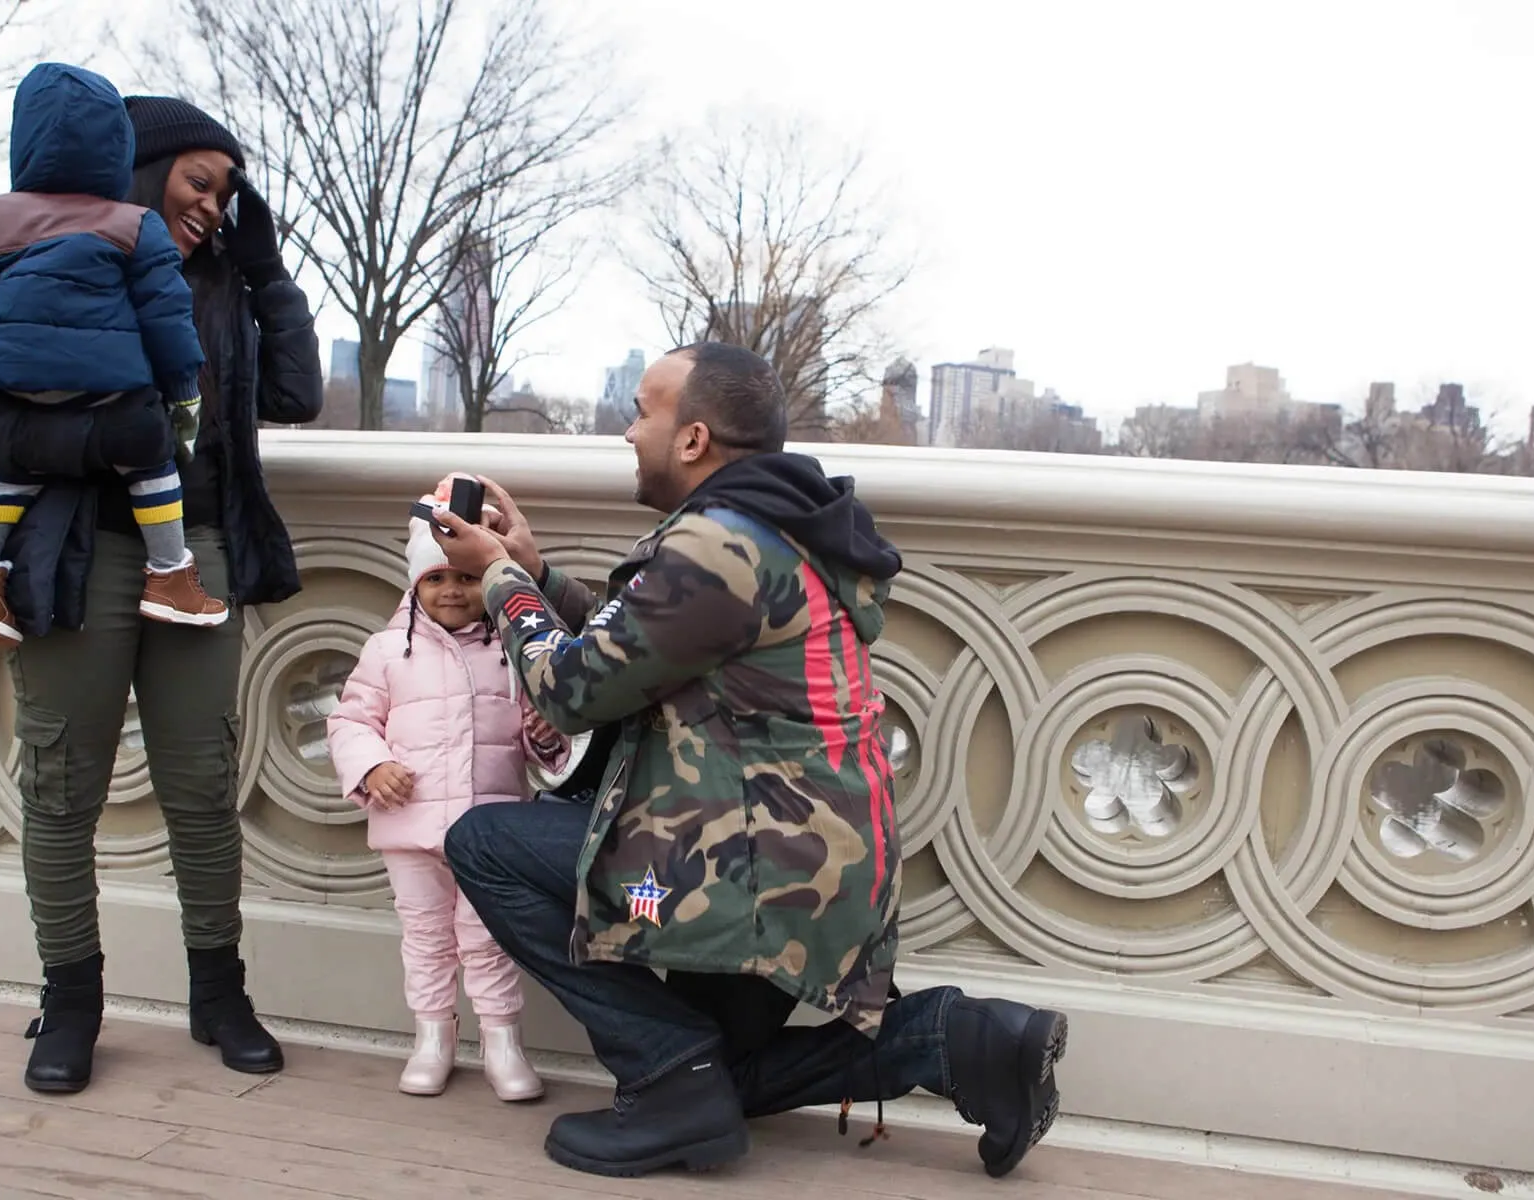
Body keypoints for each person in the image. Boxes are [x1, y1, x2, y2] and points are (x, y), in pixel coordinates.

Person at [426, 342, 1069, 1180]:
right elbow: (650, 647)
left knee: (483, 842)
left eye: (643, 412)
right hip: (813, 866)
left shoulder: (721, 545)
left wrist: (503, 581)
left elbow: (574, 690)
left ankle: (666, 1071)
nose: (628, 432)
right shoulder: (778, 522)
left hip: (751, 875)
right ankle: (954, 1041)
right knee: (717, 1079)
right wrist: (541, 573)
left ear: (692, 439)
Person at [0, 89, 323, 1095]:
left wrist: (260, 262)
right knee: (59, 785)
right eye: (198, 182)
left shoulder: (220, 284)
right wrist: (82, 441)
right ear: (142, 167)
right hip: (65, 552)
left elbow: (298, 392)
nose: (214, 206)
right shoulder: (18, 251)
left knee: (203, 785)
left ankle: (219, 994)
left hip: (199, 553)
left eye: (229, 193)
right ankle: (72, 1003)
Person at [0, 62, 227, 649]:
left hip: (6, 381)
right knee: (149, 461)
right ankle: (169, 574)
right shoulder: (134, 224)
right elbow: (166, 319)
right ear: (116, 151)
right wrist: (182, 393)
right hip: (103, 384)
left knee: (11, 465)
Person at [326, 484, 570, 1102]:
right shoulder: (387, 651)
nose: (453, 591)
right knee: (427, 938)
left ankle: (502, 1040)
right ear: (415, 585)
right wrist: (372, 766)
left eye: (465, 577)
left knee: (488, 938)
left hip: (492, 832)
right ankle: (432, 1035)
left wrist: (544, 734)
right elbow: (350, 721)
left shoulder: (513, 653)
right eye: (437, 579)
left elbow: (545, 744)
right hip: (410, 830)